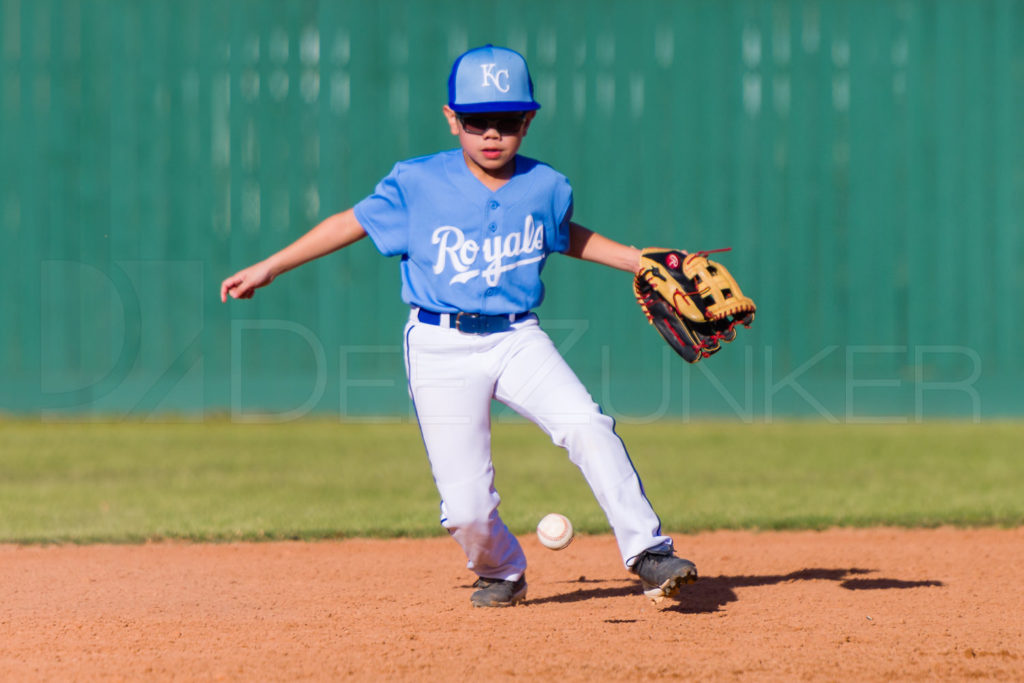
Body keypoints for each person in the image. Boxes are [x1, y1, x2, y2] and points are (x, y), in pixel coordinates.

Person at [220, 45, 697, 607]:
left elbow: (565, 236)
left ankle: (648, 552)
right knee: (466, 507)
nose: (490, 134)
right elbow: (350, 223)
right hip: (439, 342)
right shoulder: (416, 183)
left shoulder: (547, 185)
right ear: (452, 119)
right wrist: (270, 265)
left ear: (528, 121)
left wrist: (639, 260)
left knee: (588, 426)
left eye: (506, 121)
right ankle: (500, 570)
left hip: (517, 337)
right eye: (476, 122)